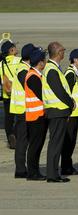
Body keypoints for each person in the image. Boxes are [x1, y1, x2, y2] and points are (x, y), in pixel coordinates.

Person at [42, 42, 75, 182]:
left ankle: (54, 173)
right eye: (62, 50)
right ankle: (52, 174)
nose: (64, 52)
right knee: (55, 143)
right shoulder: (51, 69)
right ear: (57, 52)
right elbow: (59, 91)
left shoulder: (53, 68)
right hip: (56, 111)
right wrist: (70, 103)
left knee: (56, 143)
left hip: (58, 111)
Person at [61, 48, 78, 176]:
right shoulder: (70, 74)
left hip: (75, 113)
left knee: (71, 141)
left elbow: (75, 93)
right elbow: (66, 94)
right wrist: (67, 112)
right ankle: (65, 167)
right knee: (68, 142)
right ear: (75, 60)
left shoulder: (75, 73)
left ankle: (68, 166)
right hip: (70, 114)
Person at [24, 48, 48, 181]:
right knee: (35, 145)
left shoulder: (36, 75)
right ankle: (32, 173)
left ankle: (34, 171)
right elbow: (42, 95)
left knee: (37, 145)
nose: (45, 62)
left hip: (38, 116)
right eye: (43, 60)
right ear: (40, 62)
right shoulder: (33, 77)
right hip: (35, 117)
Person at [11, 43, 34, 177]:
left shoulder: (24, 68)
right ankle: (20, 170)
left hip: (23, 110)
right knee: (22, 141)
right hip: (23, 111)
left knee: (24, 140)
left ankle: (21, 168)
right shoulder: (23, 71)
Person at [1, 38, 18, 149]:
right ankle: (16, 135)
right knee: (21, 117)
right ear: (11, 50)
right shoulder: (19, 61)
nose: (16, 48)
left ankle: (10, 138)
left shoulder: (1, 64)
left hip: (7, 95)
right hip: (18, 95)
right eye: (14, 47)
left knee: (8, 118)